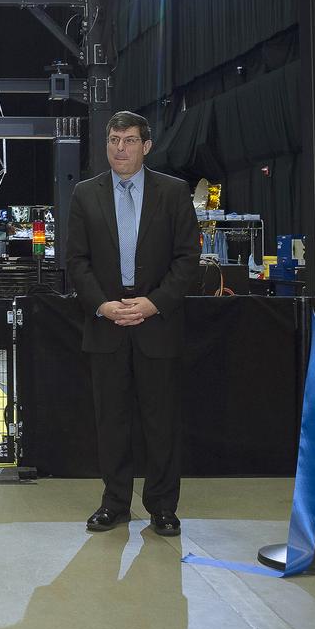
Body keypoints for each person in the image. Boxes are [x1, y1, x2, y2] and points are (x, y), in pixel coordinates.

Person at [65, 111, 199, 537]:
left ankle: (162, 507)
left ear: (146, 145)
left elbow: (186, 259)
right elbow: (76, 262)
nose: (119, 148)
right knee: (112, 422)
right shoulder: (86, 194)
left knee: (161, 423)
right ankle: (114, 503)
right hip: (106, 324)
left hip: (156, 323)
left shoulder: (173, 193)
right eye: (113, 140)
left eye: (128, 140)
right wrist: (103, 306)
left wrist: (154, 303)